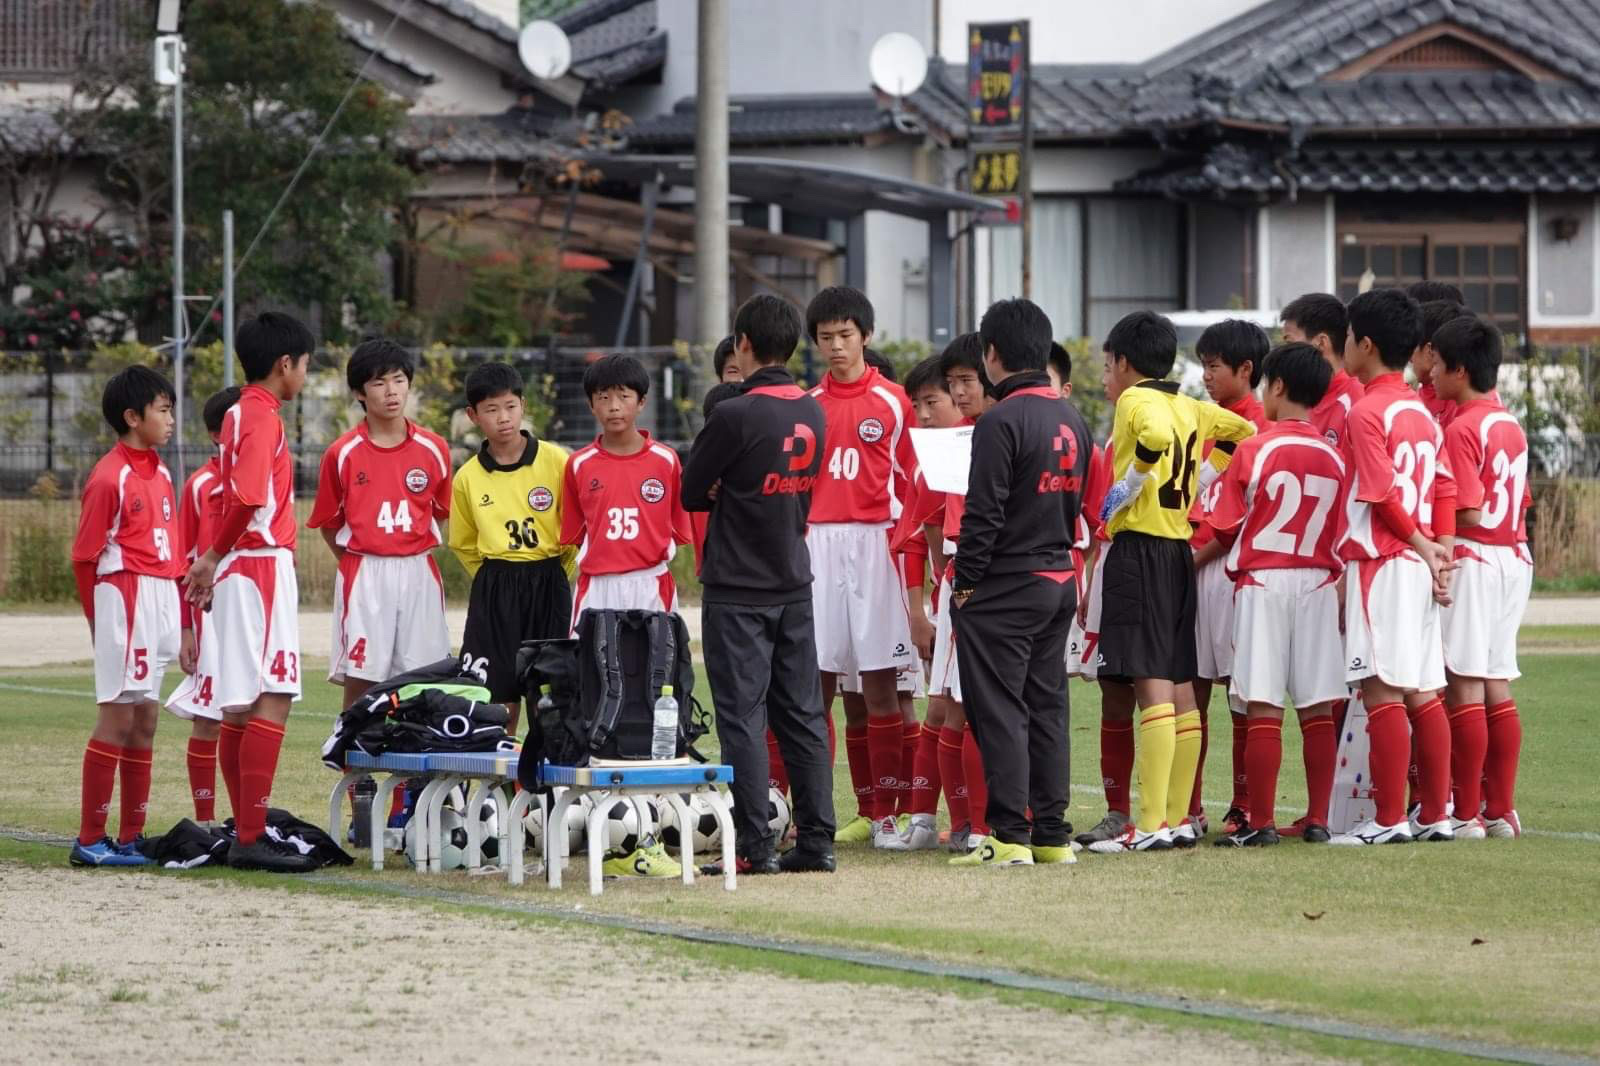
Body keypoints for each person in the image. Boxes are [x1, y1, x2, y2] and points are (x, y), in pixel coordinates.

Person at [1087, 311, 1256, 854]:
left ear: (1126, 363)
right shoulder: (1190, 405)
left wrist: (1129, 485)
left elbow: (1154, 439)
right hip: (1179, 552)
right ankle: (1179, 818)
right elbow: (1243, 429)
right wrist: (1203, 476)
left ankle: (1152, 821)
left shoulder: (1138, 401)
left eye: (1108, 364)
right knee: (1181, 684)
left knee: (1149, 680)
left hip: (1139, 548)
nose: (1106, 376)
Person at [683, 293, 835, 875]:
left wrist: (727, 485)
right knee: (802, 715)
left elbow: (693, 491)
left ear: (743, 345)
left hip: (738, 587)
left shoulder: (735, 413)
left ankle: (755, 846)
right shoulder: (813, 409)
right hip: (794, 580)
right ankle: (817, 842)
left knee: (743, 717)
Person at [168, 312, 315, 873]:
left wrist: (213, 558)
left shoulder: (236, 413)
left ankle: (241, 829)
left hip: (237, 569)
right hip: (257, 567)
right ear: (285, 365)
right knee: (272, 696)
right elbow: (250, 497)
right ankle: (252, 836)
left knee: (237, 706)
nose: (304, 374)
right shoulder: (261, 416)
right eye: (304, 365)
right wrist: (210, 556)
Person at [948, 298, 1093, 867]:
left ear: (992, 354)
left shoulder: (999, 420)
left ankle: (1009, 834)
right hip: (1059, 574)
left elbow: (983, 514)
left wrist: (965, 583)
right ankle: (1052, 834)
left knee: (1002, 709)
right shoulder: (1072, 416)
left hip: (1007, 583)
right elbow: (1077, 501)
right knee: (1048, 706)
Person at [1203, 343, 1347, 846]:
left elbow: (1223, 528)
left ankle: (1260, 821)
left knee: (1262, 703)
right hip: (1319, 584)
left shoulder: (1255, 448)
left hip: (1264, 582)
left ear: (1278, 386)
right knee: (1317, 707)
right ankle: (1318, 818)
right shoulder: (1333, 454)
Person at [1331, 288, 1458, 846]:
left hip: (1383, 562)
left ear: (1365, 343)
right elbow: (1445, 486)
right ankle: (1437, 812)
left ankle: (1388, 820)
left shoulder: (1366, 409)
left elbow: (1380, 492)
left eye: (1348, 337)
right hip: (1417, 559)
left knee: (1382, 690)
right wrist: (1438, 550)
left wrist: (1424, 546)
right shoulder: (1420, 411)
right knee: (1425, 691)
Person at [558, 353, 691, 880]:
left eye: (623, 397)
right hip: (598, 590)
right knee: (593, 695)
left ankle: (653, 828)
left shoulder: (666, 461)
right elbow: (571, 534)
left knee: (658, 697)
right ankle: (598, 823)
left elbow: (680, 531)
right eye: (603, 397)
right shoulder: (579, 466)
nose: (613, 406)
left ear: (641, 401)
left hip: (651, 586)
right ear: (591, 403)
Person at [802, 286, 918, 850]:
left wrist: (908, 547)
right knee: (815, 684)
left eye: (845, 335)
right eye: (825, 338)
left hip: (876, 544)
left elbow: (913, 482)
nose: (836, 347)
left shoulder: (896, 401)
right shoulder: (806, 405)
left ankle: (885, 814)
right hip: (818, 543)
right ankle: (811, 811)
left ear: (866, 336)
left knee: (878, 683)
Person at [68, 366, 182, 867]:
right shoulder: (108, 477)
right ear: (133, 417)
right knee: (117, 714)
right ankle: (90, 839)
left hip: (159, 598)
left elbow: (172, 552)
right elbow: (84, 558)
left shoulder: (160, 472)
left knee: (147, 717)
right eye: (163, 410)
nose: (172, 419)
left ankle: (131, 835)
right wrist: (101, 623)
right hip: (125, 595)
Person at [308, 339, 452, 710]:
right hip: (365, 571)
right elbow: (328, 523)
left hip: (419, 570)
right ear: (359, 392)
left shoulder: (434, 448)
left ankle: (418, 767)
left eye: (399, 380)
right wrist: (359, 562)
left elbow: (439, 512)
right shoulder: (342, 454)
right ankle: (352, 764)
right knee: (363, 677)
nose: (391, 391)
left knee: (425, 676)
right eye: (379, 383)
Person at [1431, 314, 1530, 839]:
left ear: (1460, 371)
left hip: (1477, 556)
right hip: (1514, 557)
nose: (1431, 378)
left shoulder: (1463, 426)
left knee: (1464, 680)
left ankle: (1466, 812)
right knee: (1496, 680)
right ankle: (1501, 809)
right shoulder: (1509, 422)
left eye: (1439, 367)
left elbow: (1467, 509)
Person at [448, 362, 572, 733]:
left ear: (523, 405)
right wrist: (494, 578)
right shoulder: (468, 477)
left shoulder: (557, 461)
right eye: (491, 409)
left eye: (510, 406)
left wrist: (556, 573)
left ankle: (546, 781)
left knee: (548, 690)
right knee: (497, 692)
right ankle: (498, 783)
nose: (503, 417)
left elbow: (575, 529)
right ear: (473, 416)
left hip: (549, 579)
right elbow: (464, 543)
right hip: (496, 587)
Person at [1187, 319, 1270, 840]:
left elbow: (1236, 516)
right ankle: (1188, 806)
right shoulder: (1204, 423)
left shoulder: (1255, 427)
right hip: (1194, 566)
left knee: (1240, 693)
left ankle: (1242, 805)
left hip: (1231, 568)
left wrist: (1189, 561)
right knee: (1189, 690)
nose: (1205, 377)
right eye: (1203, 366)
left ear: (1246, 370)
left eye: (1214, 367)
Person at [919, 333, 995, 852]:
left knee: (997, 707)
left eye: (967, 381)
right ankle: (966, 819)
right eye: (954, 384)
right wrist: (946, 581)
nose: (960, 393)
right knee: (953, 705)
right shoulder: (955, 442)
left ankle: (1006, 816)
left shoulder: (1003, 433)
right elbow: (932, 525)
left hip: (1004, 578)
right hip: (963, 583)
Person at [892, 355, 966, 850]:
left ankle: (968, 822)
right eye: (915, 405)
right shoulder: (928, 463)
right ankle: (928, 820)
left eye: (932, 401)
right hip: (952, 601)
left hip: (978, 596)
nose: (923, 414)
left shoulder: (975, 449)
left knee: (956, 709)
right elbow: (919, 539)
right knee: (940, 708)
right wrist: (920, 612)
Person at [173, 385, 241, 826]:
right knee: (210, 717)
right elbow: (184, 559)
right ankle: (205, 820)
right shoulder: (200, 485)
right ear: (220, 434)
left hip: (253, 610)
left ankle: (246, 819)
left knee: (251, 716)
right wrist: (187, 628)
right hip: (212, 617)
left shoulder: (263, 478)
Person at [1281, 293, 1363, 449]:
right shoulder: (1295, 399)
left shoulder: (1356, 401)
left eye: (1290, 343)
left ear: (1321, 342)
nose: (1284, 353)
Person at [1412, 300, 1467, 426]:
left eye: (1413, 346)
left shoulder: (1458, 403)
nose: (1410, 358)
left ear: (1429, 352)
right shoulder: (1417, 397)